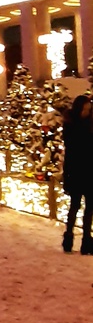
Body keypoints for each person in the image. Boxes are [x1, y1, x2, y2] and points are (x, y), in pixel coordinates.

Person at [61, 95, 93, 254]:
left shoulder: (89, 123)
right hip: (76, 171)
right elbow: (70, 151)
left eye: (89, 109)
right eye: (85, 109)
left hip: (90, 171)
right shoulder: (71, 125)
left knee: (89, 209)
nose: (87, 112)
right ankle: (69, 237)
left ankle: (87, 241)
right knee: (75, 206)